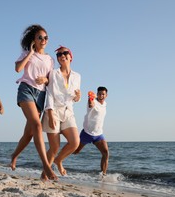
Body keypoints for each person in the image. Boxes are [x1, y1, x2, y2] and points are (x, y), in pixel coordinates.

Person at [10, 24, 58, 181]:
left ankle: (14, 155)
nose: (43, 40)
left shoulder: (50, 59)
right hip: (26, 90)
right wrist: (30, 53)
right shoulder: (26, 53)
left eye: (45, 37)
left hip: (41, 95)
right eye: (40, 37)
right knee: (37, 126)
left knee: (29, 133)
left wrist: (45, 79)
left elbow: (51, 79)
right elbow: (18, 69)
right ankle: (46, 165)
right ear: (34, 40)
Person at [42, 46, 81, 178]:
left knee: (75, 143)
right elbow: (50, 94)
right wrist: (51, 113)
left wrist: (78, 97)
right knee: (54, 147)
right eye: (59, 54)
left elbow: (74, 97)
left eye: (65, 53)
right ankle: (44, 174)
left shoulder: (77, 76)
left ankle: (59, 160)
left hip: (68, 111)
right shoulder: (54, 73)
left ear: (70, 56)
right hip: (53, 111)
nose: (62, 55)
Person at [73, 86, 109, 176]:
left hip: (98, 134)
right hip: (87, 133)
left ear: (106, 95)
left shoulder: (105, 104)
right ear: (97, 94)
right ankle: (57, 159)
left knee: (106, 153)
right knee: (75, 151)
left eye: (103, 94)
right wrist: (90, 98)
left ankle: (103, 175)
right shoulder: (94, 102)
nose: (101, 96)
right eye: (99, 94)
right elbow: (91, 105)